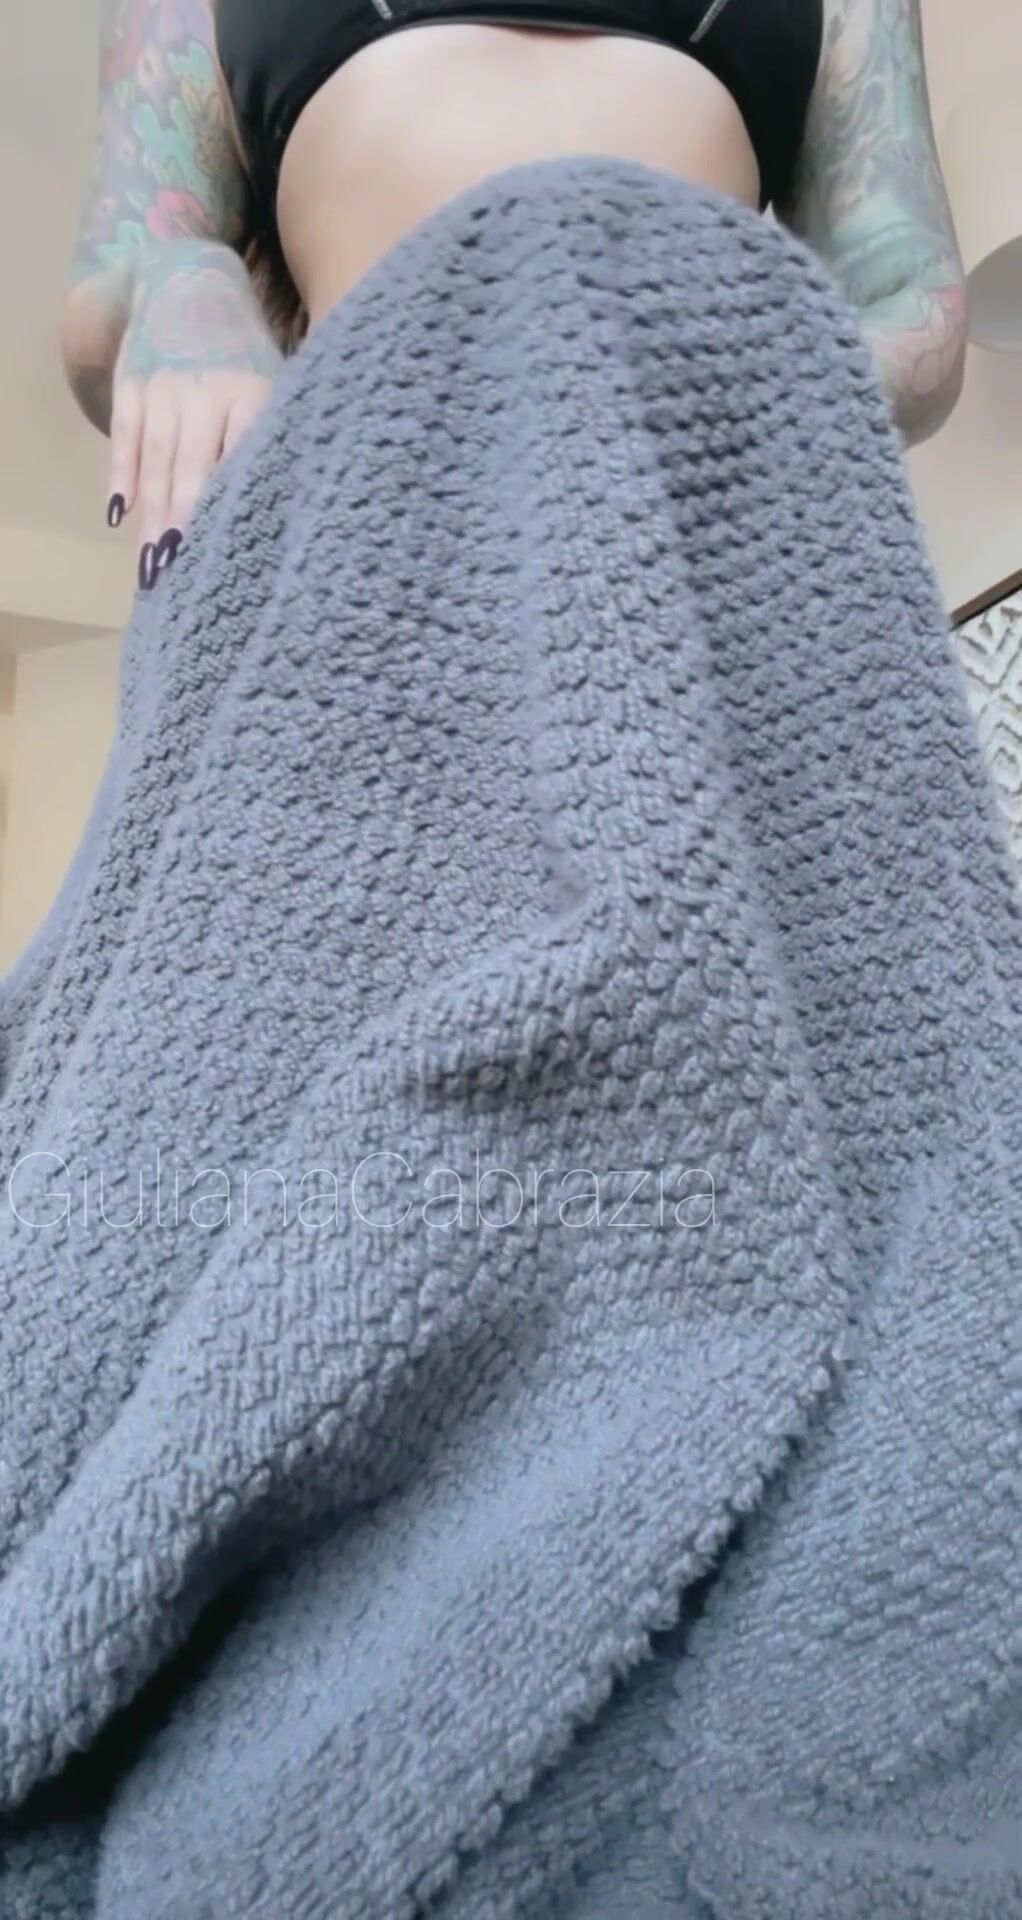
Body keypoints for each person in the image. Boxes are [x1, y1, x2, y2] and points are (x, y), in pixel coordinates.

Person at [60, 0, 966, 594]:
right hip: (350, 558)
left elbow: (908, 294)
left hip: (689, 553)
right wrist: (182, 288)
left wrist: (725, 405)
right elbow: (123, 264)